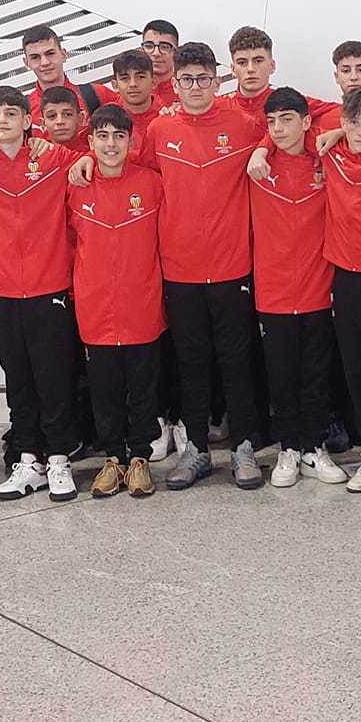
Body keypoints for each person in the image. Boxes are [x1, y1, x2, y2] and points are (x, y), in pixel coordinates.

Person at [267, 85, 361, 496]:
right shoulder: (329, 152)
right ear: (342, 123)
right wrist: (261, 149)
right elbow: (285, 131)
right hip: (345, 281)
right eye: (353, 123)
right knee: (357, 371)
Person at [0, 85, 94, 503]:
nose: (2, 120)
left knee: (54, 377)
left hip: (50, 286)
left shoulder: (53, 157)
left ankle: (59, 459)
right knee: (18, 377)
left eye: (10, 113)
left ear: (27, 120)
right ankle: (29, 458)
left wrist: (79, 154)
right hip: (0, 289)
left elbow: (91, 161)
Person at [144, 41, 270, 490]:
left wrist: (263, 148)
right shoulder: (159, 130)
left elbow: (286, 137)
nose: (195, 86)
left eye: (203, 78)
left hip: (233, 266)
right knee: (191, 361)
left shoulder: (244, 125)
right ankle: (195, 448)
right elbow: (130, 169)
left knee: (237, 360)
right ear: (174, 83)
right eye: (186, 79)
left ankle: (243, 448)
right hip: (179, 268)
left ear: (217, 81)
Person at [251, 88, 348, 488]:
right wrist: (260, 149)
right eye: (271, 122)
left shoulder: (326, 160)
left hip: (317, 289)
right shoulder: (255, 165)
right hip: (272, 292)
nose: (278, 129)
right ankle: (288, 449)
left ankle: (314, 447)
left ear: (307, 122)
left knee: (315, 376)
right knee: (281, 377)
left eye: (287, 119)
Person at [69, 105, 164, 499]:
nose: (111, 144)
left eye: (119, 136)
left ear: (131, 141)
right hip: (95, 307)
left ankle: (140, 457)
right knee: (104, 390)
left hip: (143, 305)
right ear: (91, 141)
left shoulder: (152, 183)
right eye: (103, 136)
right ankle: (113, 458)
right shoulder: (75, 184)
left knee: (143, 389)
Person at [141, 19, 183, 107]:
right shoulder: (130, 91)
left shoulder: (188, 91)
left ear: (176, 52)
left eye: (164, 47)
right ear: (142, 50)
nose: (156, 53)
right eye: (149, 46)